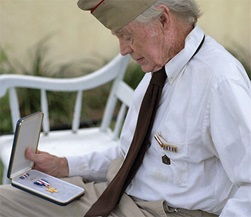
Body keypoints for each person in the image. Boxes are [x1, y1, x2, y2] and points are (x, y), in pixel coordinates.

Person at [0, 0, 250, 216]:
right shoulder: (160, 69)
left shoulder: (219, 81)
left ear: (164, 20)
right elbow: (128, 154)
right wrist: (64, 165)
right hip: (117, 193)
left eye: (127, 35)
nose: (123, 50)